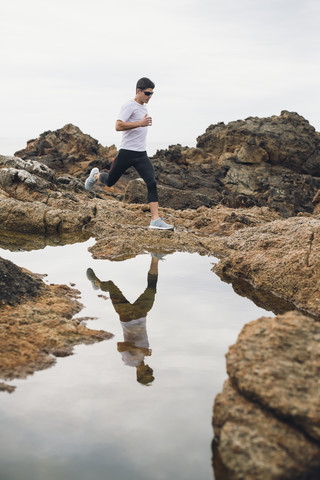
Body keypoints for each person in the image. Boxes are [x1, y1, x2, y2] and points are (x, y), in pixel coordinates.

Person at [85, 77, 174, 230]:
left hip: (141, 154)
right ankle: (95, 176)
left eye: (152, 94)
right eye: (147, 93)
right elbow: (118, 125)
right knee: (110, 182)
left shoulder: (144, 107)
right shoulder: (129, 106)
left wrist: (142, 123)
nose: (149, 96)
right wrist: (140, 123)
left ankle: (155, 220)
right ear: (138, 91)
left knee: (151, 183)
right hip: (126, 152)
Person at [86, 254, 163, 385]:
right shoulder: (145, 355)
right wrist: (142, 351)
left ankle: (97, 283)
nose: (150, 369)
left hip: (126, 316)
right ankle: (155, 257)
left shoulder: (130, 362)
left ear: (139, 373)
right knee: (152, 288)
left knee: (110, 286)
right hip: (141, 314)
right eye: (151, 371)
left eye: (147, 372)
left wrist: (139, 350)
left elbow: (120, 347)